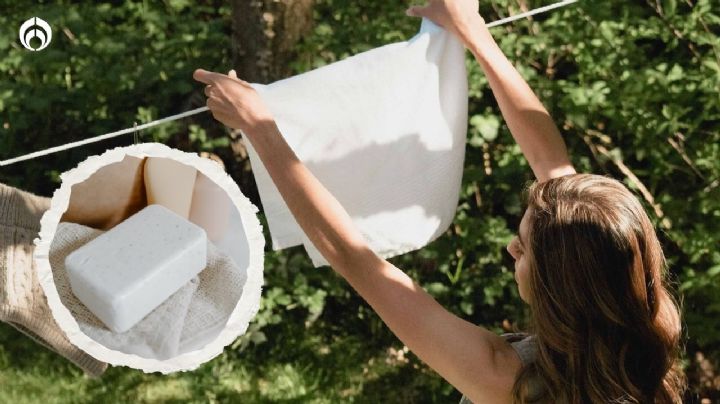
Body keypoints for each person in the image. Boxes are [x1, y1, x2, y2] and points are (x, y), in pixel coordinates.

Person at [193, 0, 686, 402]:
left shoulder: (509, 383)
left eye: (525, 247)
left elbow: (357, 261)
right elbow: (550, 161)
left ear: (565, 285)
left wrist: (260, 128)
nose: (513, 250)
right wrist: (473, 32)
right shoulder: (645, 325)